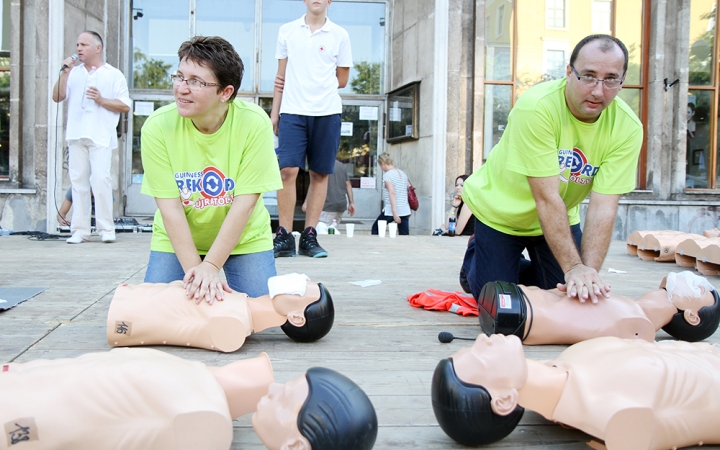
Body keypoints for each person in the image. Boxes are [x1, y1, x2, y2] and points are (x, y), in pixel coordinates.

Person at [460, 34, 643, 303]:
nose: (597, 90)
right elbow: (546, 197)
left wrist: (586, 274)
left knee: (567, 297)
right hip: (501, 214)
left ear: (622, 81)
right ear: (569, 72)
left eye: (610, 79)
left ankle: (510, 268)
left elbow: (603, 206)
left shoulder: (627, 127)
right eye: (588, 76)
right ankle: (476, 263)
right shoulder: (537, 108)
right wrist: (572, 267)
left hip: (559, 218)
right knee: (499, 303)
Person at [1, 349, 378, 450]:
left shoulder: (206, 424)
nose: (272, 389)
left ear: (296, 446)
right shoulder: (204, 403)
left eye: (284, 399)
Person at [140, 36, 282, 302]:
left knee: (260, 313)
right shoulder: (157, 127)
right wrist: (198, 274)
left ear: (225, 92)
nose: (182, 88)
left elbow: (245, 204)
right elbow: (169, 208)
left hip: (243, 237)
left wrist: (212, 266)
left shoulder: (254, 124)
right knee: (158, 311)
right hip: (179, 237)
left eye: (196, 81)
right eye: (179, 77)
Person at [432, 333, 720, 449]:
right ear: (505, 400)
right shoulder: (610, 412)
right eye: (481, 354)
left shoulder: (569, 361)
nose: (482, 337)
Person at [270, 0, 353, 259]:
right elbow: (281, 76)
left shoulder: (340, 35)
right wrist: (275, 112)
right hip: (293, 111)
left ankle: (309, 236)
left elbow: (342, 79)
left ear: (329, 1)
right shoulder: (287, 31)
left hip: (327, 112)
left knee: (320, 173)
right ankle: (283, 235)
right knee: (287, 171)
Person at [475, 271, 720, 345]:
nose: (697, 281)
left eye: (700, 290)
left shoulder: (640, 328)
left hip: (518, 313)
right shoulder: (634, 311)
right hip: (517, 300)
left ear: (692, 316)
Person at [107, 273, 335, 352]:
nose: (298, 280)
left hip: (125, 317)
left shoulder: (235, 327)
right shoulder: (241, 302)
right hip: (134, 297)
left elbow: (175, 327)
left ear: (296, 317)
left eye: (303, 288)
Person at [52, 31, 131, 245]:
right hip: (76, 133)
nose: (79, 48)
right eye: (77, 44)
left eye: (84, 44)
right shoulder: (74, 73)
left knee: (100, 180)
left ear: (98, 48)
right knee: (78, 182)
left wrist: (101, 99)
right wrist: (64, 73)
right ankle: (80, 230)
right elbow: (57, 97)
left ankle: (106, 228)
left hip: (100, 135)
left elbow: (125, 105)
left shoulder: (113, 74)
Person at [302, 159, 355, 227]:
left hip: (326, 206)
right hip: (340, 206)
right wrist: (351, 203)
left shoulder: (321, 164)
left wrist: (306, 202)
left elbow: (314, 185)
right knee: (332, 231)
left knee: (320, 231)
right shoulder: (341, 166)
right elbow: (348, 185)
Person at [371, 152, 411, 235]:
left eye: (380, 165)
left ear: (383, 163)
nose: (381, 168)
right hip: (404, 209)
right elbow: (408, 189)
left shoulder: (387, 175)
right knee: (404, 235)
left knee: (376, 228)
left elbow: (392, 192)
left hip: (392, 209)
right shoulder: (402, 173)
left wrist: (394, 212)